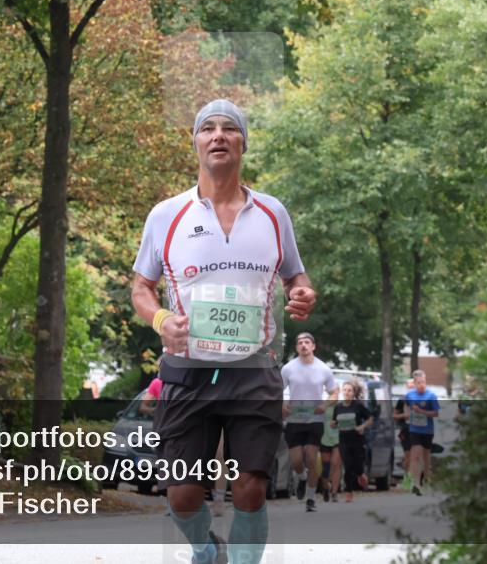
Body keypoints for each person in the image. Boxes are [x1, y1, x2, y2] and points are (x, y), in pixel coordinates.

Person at [131, 99, 316, 564]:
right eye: (207, 128)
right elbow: (140, 289)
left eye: (229, 128)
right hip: (187, 370)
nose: (218, 135)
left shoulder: (273, 213)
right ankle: (206, 548)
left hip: (253, 369)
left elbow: (295, 276)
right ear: (195, 143)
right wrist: (161, 320)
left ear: (242, 143)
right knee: (183, 494)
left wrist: (302, 293)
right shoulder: (166, 214)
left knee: (250, 486)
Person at [280, 332, 337, 512]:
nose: (303, 345)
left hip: (315, 420)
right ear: (297, 347)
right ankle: (302, 477)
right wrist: (282, 405)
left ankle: (311, 498)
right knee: (297, 461)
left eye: (307, 342)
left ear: (313, 346)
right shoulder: (288, 368)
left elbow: (334, 392)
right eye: (300, 343)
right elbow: (276, 390)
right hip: (294, 419)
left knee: (312, 458)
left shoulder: (323, 369)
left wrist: (324, 405)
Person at [331, 380, 373, 502]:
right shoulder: (338, 407)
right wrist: (333, 424)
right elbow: (334, 422)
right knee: (348, 465)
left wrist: (362, 426)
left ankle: (360, 474)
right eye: (345, 390)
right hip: (343, 440)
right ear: (342, 392)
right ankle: (349, 492)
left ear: (354, 393)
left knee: (357, 464)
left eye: (349, 390)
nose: (347, 392)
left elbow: (370, 418)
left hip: (357, 440)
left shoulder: (358, 406)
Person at [405, 369, 440, 496]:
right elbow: (407, 406)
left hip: (427, 430)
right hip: (414, 429)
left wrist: (421, 411)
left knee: (426, 458)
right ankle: (416, 484)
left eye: (423, 382)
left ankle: (427, 480)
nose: (421, 385)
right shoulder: (410, 395)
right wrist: (408, 415)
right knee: (416, 455)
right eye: (419, 382)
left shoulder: (431, 396)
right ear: (414, 383)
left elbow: (435, 413)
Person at [317, 389, 342, 502]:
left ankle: (334, 492)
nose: (335, 395)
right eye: (332, 392)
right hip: (324, 438)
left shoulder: (341, 406)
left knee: (335, 464)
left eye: (336, 392)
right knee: (325, 468)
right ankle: (326, 488)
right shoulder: (323, 405)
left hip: (338, 438)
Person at [393, 378, 415, 475]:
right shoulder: (402, 400)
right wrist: (404, 415)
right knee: (408, 458)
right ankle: (408, 479)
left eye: (413, 387)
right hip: (406, 431)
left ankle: (418, 480)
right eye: (409, 387)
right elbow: (394, 415)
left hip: (419, 431)